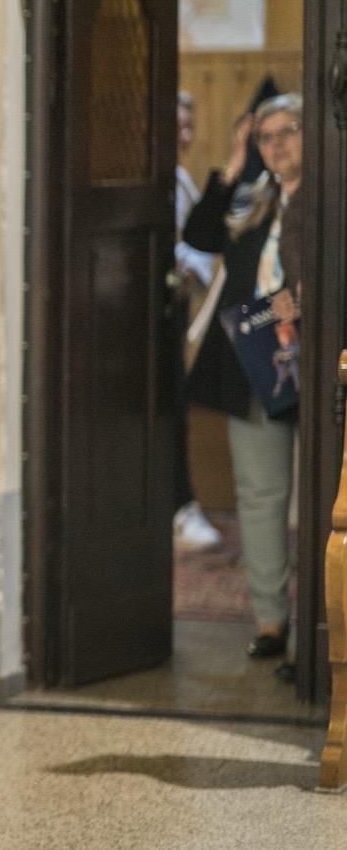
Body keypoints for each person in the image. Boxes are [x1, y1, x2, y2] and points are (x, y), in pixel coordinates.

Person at [183, 93, 303, 661]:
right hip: (255, 363)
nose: (276, 145)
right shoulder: (253, 200)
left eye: (288, 132)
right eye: (265, 137)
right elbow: (200, 233)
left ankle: (325, 624)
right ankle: (271, 621)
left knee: (327, 497)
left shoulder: (330, 196)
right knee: (260, 494)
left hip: (317, 363)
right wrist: (234, 163)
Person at [171, 92, 222, 551]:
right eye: (177, 126)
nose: (185, 136)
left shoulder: (182, 178)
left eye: (189, 126)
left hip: (180, 309)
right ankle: (177, 508)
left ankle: (181, 506)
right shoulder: (161, 183)